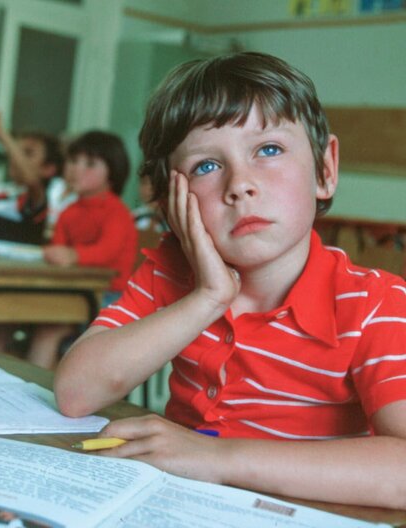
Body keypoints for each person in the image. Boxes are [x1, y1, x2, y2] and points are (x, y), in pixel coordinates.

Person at [54, 52, 406, 509]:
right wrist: (208, 297)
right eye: (206, 166)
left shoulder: (377, 304)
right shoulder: (171, 271)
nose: (240, 184)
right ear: (170, 203)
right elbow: (76, 394)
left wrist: (217, 457)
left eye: (269, 149)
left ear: (324, 169)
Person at [27, 131, 137, 369]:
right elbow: (58, 247)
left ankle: (37, 392)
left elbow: (107, 251)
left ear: (112, 173)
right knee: (22, 312)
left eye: (90, 164)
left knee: (49, 328)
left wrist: (73, 256)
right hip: (74, 292)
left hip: (110, 299)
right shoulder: (69, 212)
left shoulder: (116, 212)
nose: (76, 169)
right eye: (73, 161)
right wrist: (54, 253)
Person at [0, 101, 63, 245]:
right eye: (15, 150)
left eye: (27, 153)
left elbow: (31, 180)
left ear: (48, 169)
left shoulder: (38, 197)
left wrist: (0, 133)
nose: (15, 157)